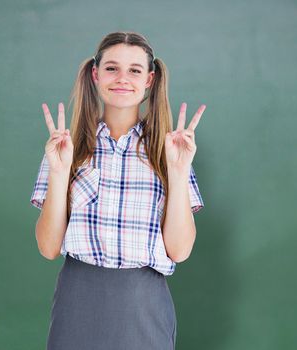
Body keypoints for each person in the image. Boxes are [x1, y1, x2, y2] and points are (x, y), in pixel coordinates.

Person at [30, 31, 206, 350]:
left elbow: (179, 251)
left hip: (143, 304)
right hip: (77, 298)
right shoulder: (66, 149)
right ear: (96, 75)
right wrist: (59, 171)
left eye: (135, 70)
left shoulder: (170, 153)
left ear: (149, 80)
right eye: (112, 68)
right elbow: (48, 247)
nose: (122, 78)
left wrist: (178, 174)